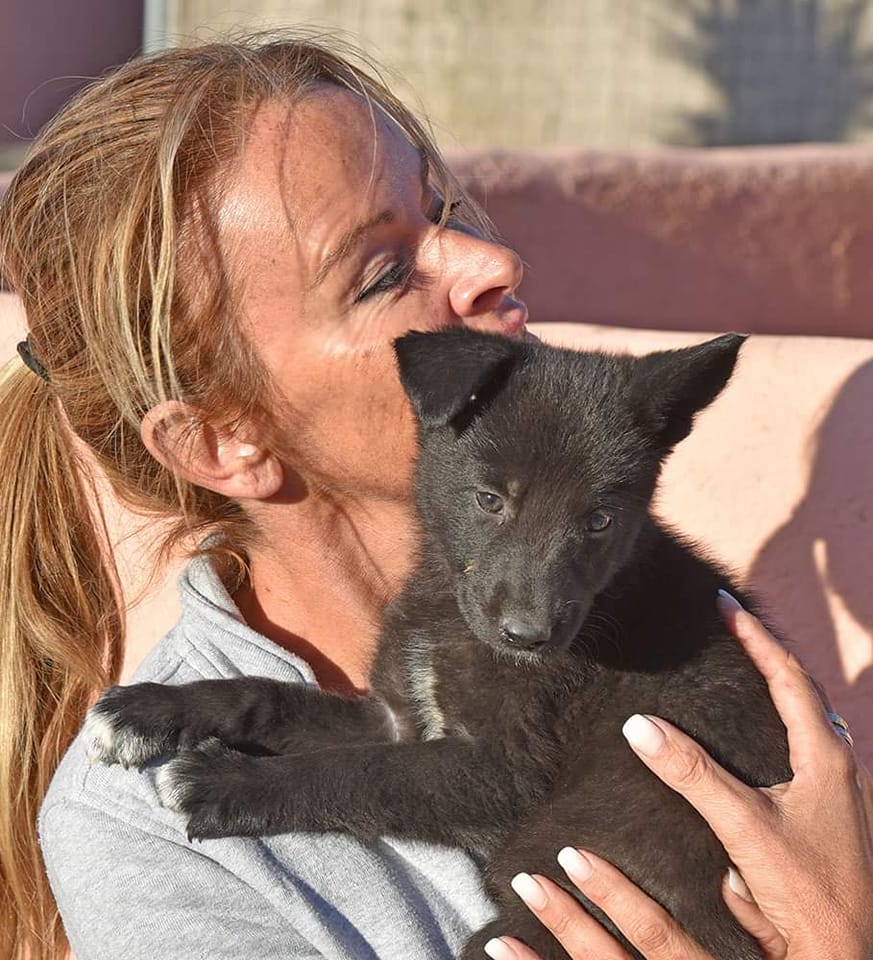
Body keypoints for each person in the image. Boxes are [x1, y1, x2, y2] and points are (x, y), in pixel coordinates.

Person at [0, 34, 869, 960]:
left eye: (443, 207)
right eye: (381, 272)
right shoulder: (144, 837)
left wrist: (838, 932)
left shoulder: (619, 613)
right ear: (221, 441)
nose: (492, 262)